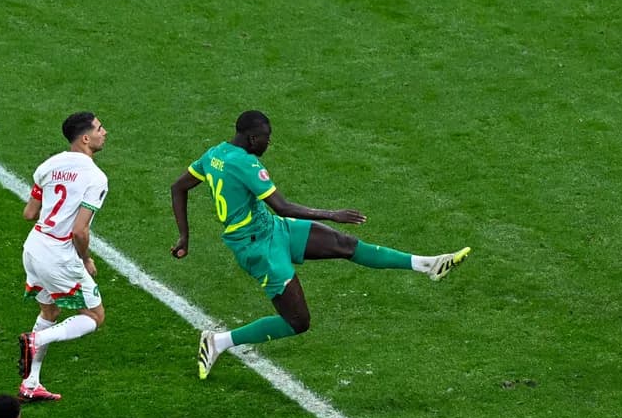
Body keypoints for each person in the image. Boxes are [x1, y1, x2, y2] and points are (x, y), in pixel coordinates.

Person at [170, 110, 470, 380]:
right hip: (257, 248)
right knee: (298, 321)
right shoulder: (247, 164)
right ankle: (219, 341)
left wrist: (185, 236)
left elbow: (179, 187)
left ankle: (429, 264)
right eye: (266, 139)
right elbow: (283, 206)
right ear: (252, 137)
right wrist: (332, 214)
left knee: (345, 245)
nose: (268, 144)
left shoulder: (213, 155)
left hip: (270, 229)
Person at [17, 112, 110, 401]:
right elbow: (80, 232)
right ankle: (37, 340)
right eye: (99, 128)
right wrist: (86, 260)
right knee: (95, 316)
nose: (104, 132)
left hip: (34, 247)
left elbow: (30, 213)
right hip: (58, 254)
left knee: (50, 311)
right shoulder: (95, 178)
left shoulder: (48, 165)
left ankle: (30, 384)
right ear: (85, 138)